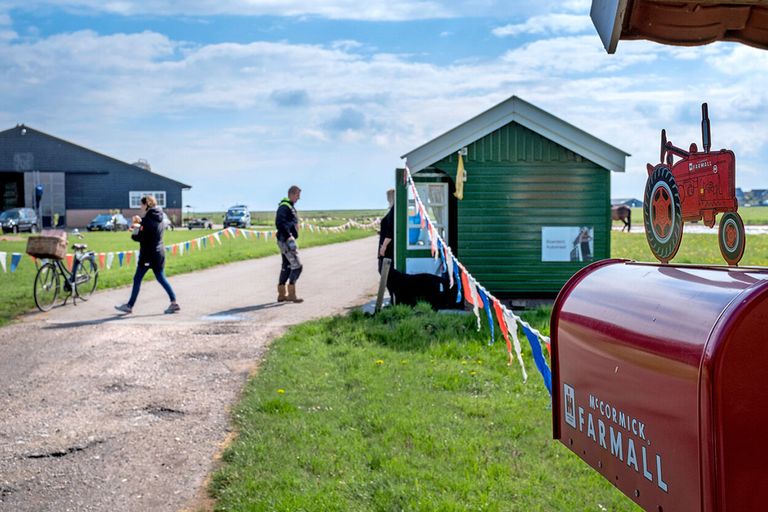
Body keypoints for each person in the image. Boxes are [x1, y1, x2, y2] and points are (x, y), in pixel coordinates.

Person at [115, 195, 180, 314]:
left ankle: (129, 306)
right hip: (159, 253)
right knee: (161, 278)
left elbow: (137, 237)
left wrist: (135, 225)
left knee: (137, 278)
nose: (140, 207)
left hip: (148, 254)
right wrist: (140, 223)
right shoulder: (159, 216)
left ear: (147, 204)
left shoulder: (148, 220)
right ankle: (174, 302)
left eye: (141, 204)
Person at [275, 185, 303, 303]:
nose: (298, 198)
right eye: (297, 195)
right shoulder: (284, 207)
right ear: (291, 194)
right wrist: (289, 236)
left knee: (286, 266)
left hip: (285, 239)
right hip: (286, 240)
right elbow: (279, 223)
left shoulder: (289, 206)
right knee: (297, 266)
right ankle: (291, 294)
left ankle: (282, 295)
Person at [378, 188, 394, 272]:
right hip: (386, 244)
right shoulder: (392, 210)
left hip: (388, 246)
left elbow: (390, 232)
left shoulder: (393, 211)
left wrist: (384, 246)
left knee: (384, 270)